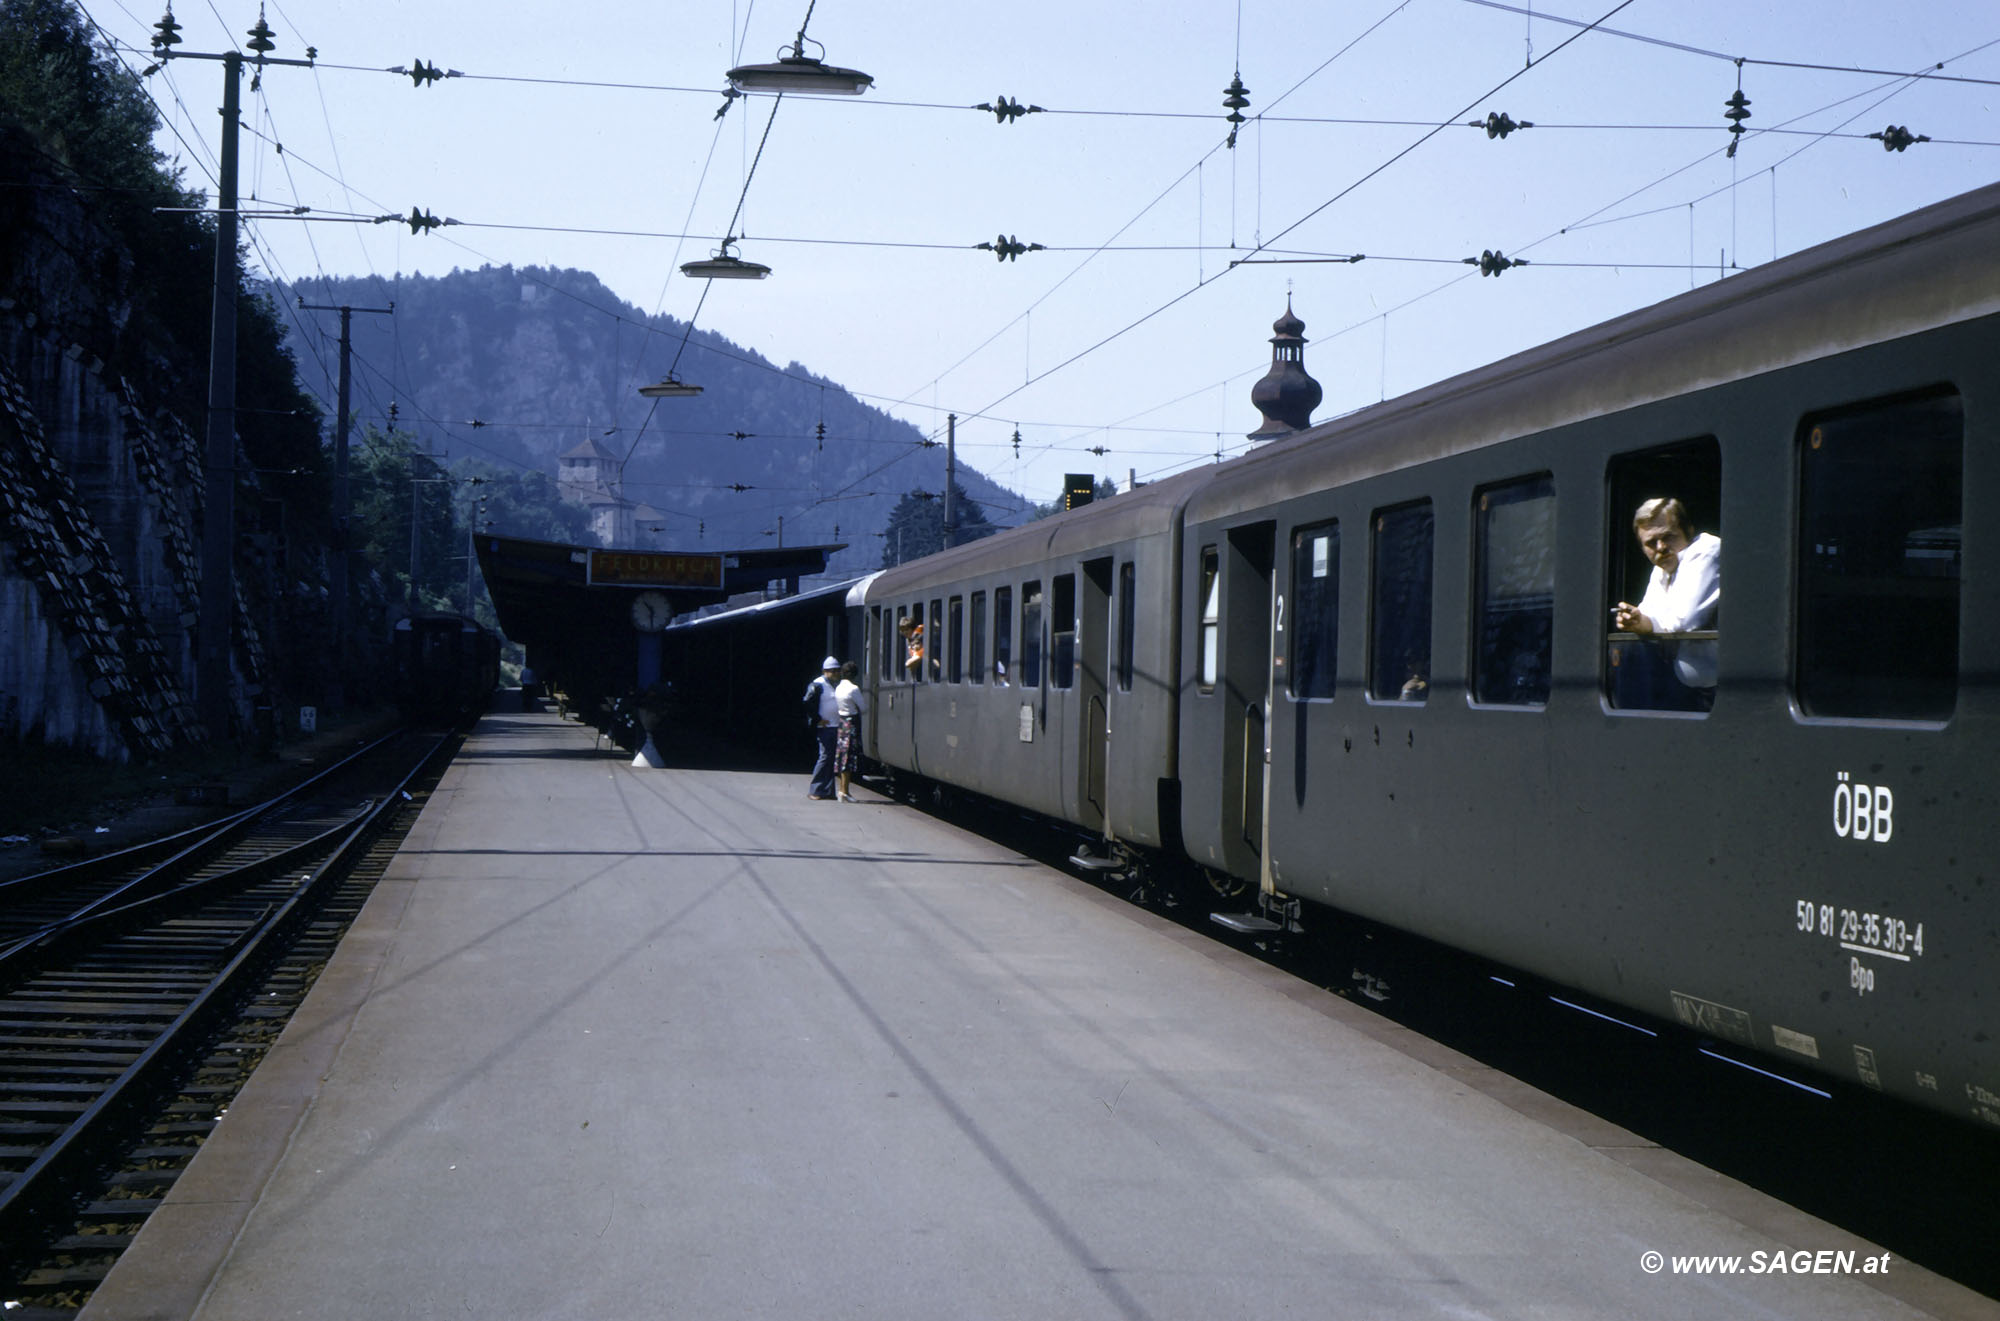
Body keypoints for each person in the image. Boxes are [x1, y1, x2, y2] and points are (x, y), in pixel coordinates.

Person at [1612, 497, 1720, 705]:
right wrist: (1634, 620)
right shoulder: (1662, 568)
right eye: (1651, 543)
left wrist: (1646, 623)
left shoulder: (1706, 550)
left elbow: (1683, 622)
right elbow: (1647, 615)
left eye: (1668, 537)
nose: (1661, 547)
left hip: (1727, 692)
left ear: (1688, 530)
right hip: (1695, 692)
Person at [804, 656, 842, 799]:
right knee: (825, 756)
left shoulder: (835, 684)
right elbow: (808, 702)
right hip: (825, 727)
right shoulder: (817, 685)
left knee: (831, 758)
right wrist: (817, 719)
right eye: (832, 671)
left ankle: (827, 790)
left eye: (837, 670)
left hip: (835, 726)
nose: (836, 673)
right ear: (825, 671)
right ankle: (815, 790)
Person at [832, 660, 866, 801]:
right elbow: (863, 707)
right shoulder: (854, 689)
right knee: (849, 757)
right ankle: (844, 792)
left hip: (841, 723)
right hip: (851, 723)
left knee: (841, 756)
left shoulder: (838, 688)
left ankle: (842, 790)